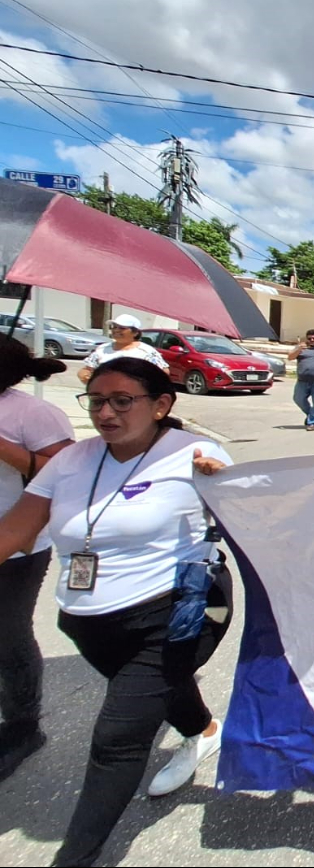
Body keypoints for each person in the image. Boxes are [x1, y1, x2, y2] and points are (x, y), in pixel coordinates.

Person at [0, 358, 232, 866]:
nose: (106, 412)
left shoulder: (195, 454)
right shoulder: (72, 460)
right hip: (88, 622)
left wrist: (224, 487)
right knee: (159, 688)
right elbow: (16, 531)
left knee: (117, 738)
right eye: (98, 401)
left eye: (122, 401)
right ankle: (203, 731)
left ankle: (77, 857)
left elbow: (266, 515)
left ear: (161, 404)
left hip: (175, 615)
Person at [0, 337, 75, 781]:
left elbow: (63, 470)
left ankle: (23, 724)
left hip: (18, 545)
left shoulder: (32, 413)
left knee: (8, 636)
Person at [76, 314, 167, 384]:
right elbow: (88, 369)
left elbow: (163, 373)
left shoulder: (146, 352)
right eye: (114, 327)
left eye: (122, 328)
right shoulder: (102, 349)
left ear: (135, 332)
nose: (116, 330)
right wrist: (84, 375)